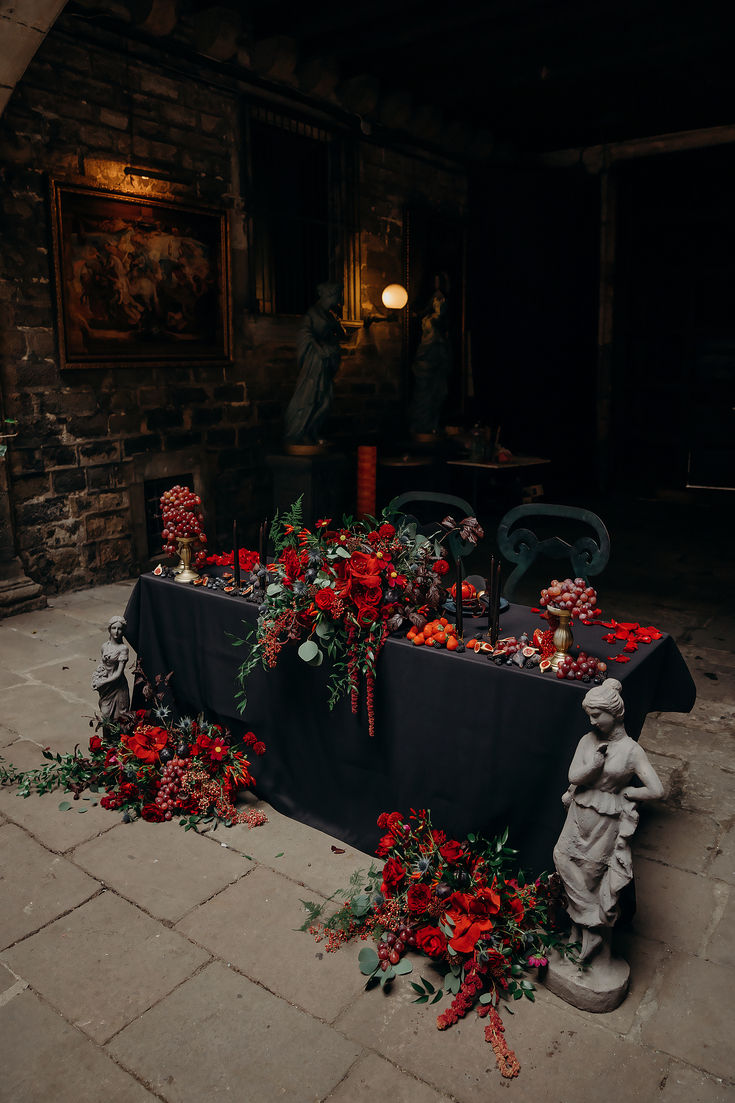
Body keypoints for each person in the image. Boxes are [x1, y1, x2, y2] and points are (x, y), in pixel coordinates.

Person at [553, 678, 663, 965]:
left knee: (591, 876)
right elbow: (573, 777)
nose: (592, 721)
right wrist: (594, 766)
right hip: (580, 812)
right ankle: (593, 920)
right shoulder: (587, 742)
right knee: (562, 857)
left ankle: (585, 939)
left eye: (596, 715)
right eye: (589, 715)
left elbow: (656, 789)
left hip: (606, 820)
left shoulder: (631, 750)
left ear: (614, 714)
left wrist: (630, 791)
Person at [283, 282, 345, 446]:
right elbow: (305, 334)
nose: (340, 299)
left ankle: (312, 431)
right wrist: (320, 348)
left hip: (325, 362)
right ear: (329, 295)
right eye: (338, 295)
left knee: (325, 398)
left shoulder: (330, 315)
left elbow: (339, 334)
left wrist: (333, 343)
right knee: (310, 396)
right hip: (314, 361)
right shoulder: (313, 313)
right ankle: (299, 431)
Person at [408, 286, 452, 436]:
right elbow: (430, 343)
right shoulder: (430, 321)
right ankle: (421, 426)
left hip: (438, 366)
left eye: (443, 301)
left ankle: (432, 425)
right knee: (424, 398)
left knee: (438, 395)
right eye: (438, 300)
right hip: (427, 365)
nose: (441, 303)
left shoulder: (443, 325)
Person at [91, 615, 130, 721]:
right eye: (114, 628)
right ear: (109, 629)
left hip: (118, 687)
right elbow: (102, 665)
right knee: (105, 715)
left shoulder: (123, 649)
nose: (116, 632)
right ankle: (106, 738)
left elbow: (118, 674)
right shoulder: (105, 646)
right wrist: (97, 677)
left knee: (120, 718)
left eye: (119, 629)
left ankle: (121, 738)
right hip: (106, 688)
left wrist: (102, 682)